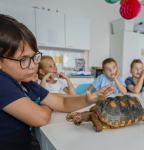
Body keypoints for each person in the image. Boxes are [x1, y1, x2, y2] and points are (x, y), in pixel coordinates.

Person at [0, 14, 115, 150]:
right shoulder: (2, 82)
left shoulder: (27, 83)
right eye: (23, 59)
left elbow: (62, 102)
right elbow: (40, 117)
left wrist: (89, 99)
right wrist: (47, 106)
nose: (33, 66)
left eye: (34, 57)